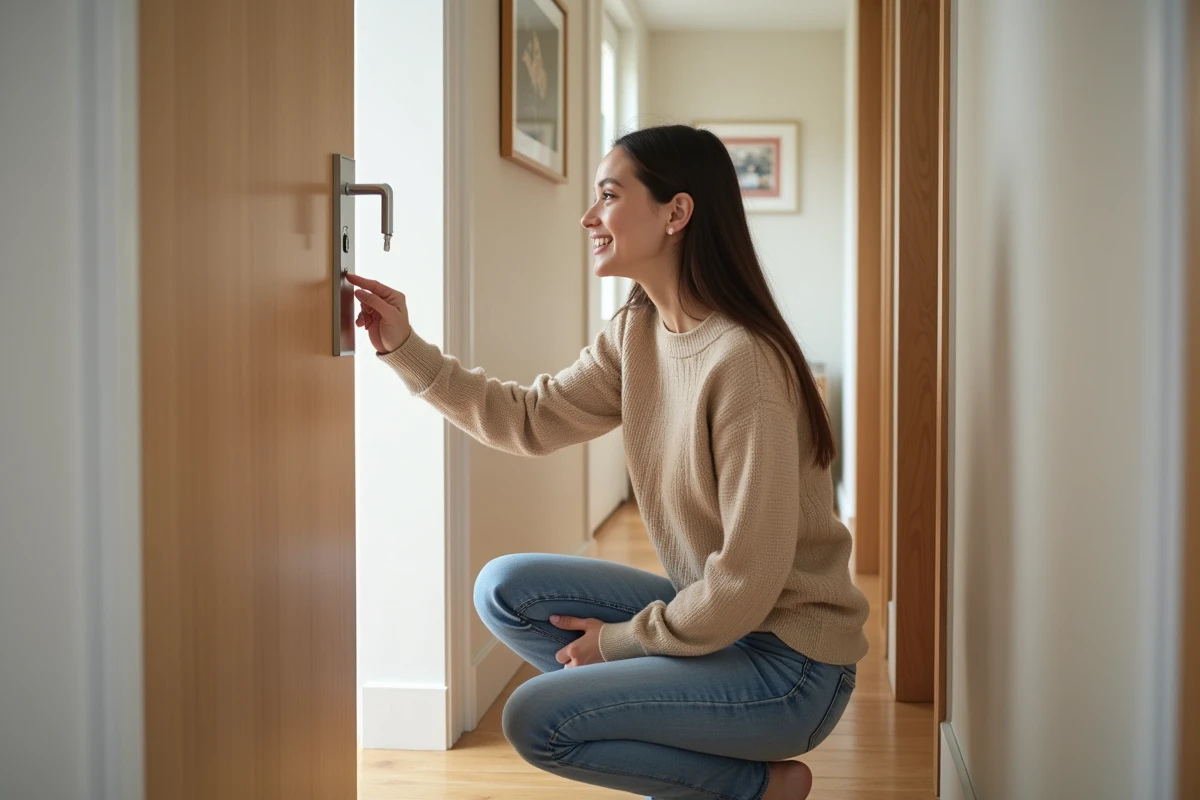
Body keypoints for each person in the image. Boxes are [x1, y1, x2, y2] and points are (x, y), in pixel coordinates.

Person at [347, 124, 870, 800]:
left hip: (789, 667)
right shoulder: (637, 332)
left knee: (536, 718)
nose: (589, 217)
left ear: (676, 213)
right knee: (505, 588)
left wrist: (620, 642)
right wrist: (404, 347)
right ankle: (711, 761)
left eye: (609, 196)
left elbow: (746, 581)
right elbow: (530, 419)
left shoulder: (744, 364)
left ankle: (746, 786)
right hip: (719, 624)